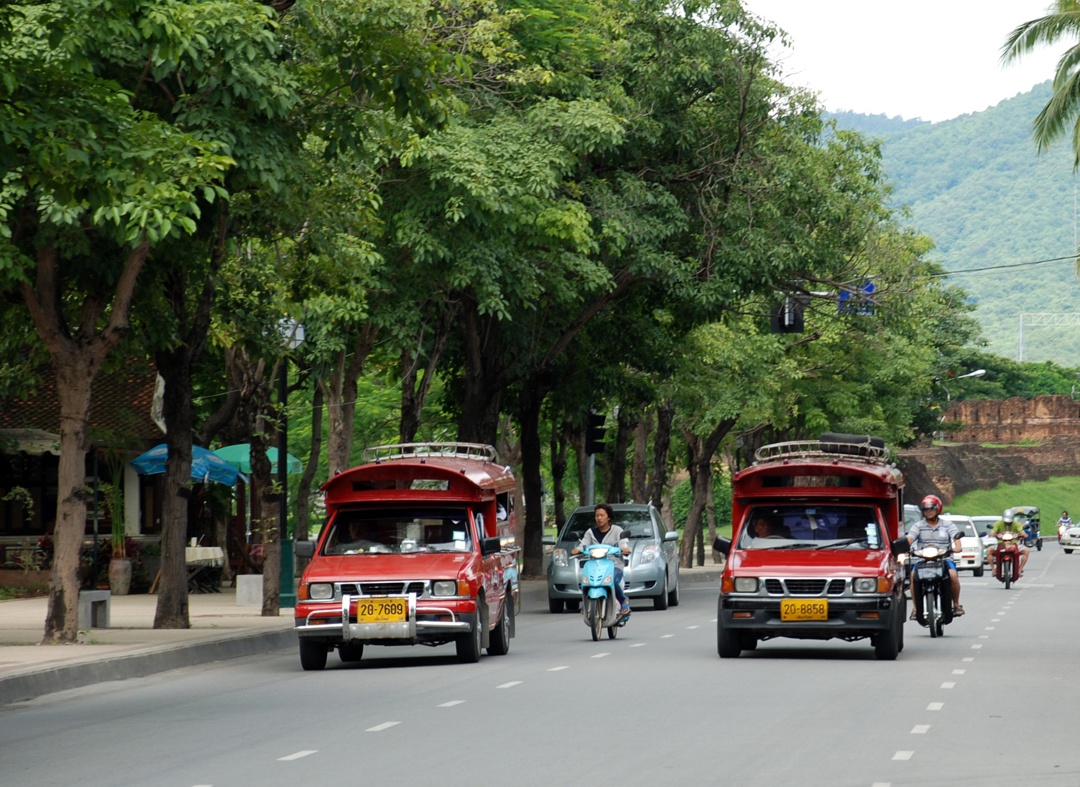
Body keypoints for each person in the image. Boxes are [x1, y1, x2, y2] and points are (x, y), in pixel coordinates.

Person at [907, 494, 964, 619]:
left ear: (938, 509)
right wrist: (905, 547)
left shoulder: (948, 525)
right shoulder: (918, 525)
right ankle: (916, 608)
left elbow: (956, 539)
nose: (929, 512)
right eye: (926, 510)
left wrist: (956, 547)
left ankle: (956, 604)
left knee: (953, 575)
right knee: (912, 576)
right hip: (923, 559)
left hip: (944, 558)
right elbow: (910, 538)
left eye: (931, 509)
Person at [571, 503, 631, 616]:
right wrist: (577, 550)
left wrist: (624, 549)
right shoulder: (590, 532)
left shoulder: (617, 530)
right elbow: (583, 545)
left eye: (602, 515)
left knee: (611, 579)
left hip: (614, 565)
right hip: (595, 565)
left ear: (608, 517)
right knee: (585, 580)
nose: (599, 518)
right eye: (597, 515)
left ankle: (623, 600)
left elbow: (623, 543)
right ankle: (586, 601)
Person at [988, 508, 1030, 576]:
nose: (1008, 523)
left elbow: (1022, 531)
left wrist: (1023, 534)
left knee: (1026, 551)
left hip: (1014, 544)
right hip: (1000, 544)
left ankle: (1019, 570)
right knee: (988, 550)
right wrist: (992, 534)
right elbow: (993, 531)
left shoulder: (1016, 524)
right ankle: (993, 569)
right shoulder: (998, 523)